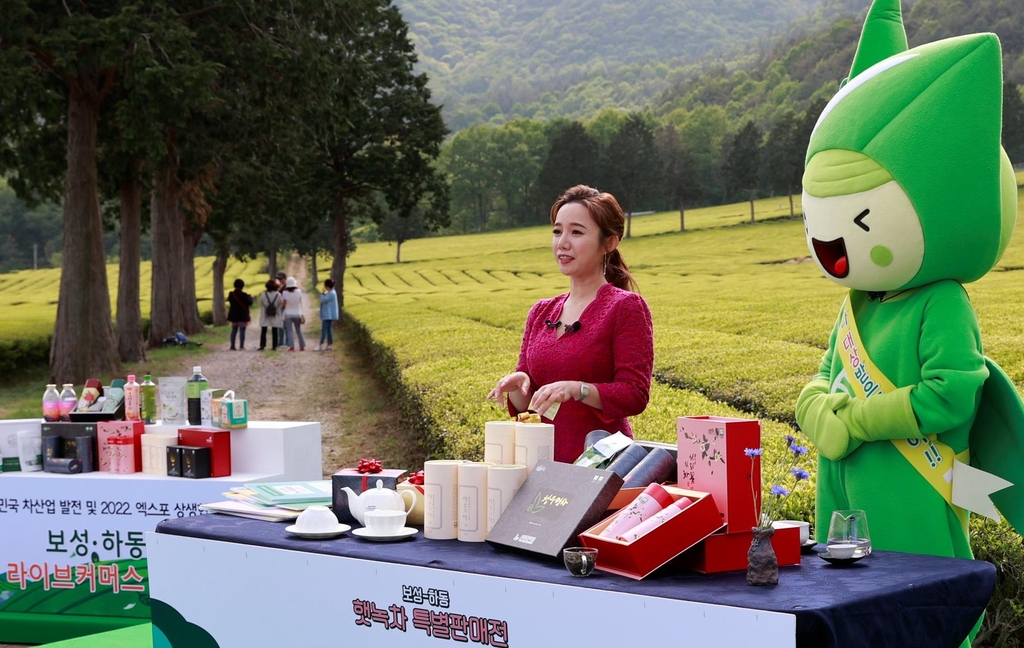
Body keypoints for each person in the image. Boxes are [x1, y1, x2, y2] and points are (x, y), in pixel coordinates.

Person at [487, 185, 654, 462]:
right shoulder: (541, 311)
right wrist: (518, 387)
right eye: (557, 231)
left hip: (600, 464)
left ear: (609, 243)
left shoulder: (625, 307)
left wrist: (578, 389)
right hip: (539, 464)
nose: (562, 242)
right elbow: (528, 406)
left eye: (576, 232)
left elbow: (635, 394)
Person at [226, 279, 254, 350]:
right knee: (242, 330)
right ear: (242, 286)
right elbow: (249, 303)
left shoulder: (231, 294)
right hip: (242, 315)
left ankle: (232, 346)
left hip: (234, 315)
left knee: (234, 330)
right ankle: (241, 346)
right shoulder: (244, 295)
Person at [257, 279, 284, 350]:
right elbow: (280, 304)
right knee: (275, 330)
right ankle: (274, 346)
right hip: (275, 314)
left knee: (263, 330)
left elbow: (261, 303)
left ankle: (262, 345)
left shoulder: (263, 294)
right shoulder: (278, 295)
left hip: (265, 314)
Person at [282, 276, 306, 351]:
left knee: (289, 331)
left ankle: (291, 346)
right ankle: (302, 346)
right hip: (297, 313)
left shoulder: (284, 292)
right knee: (298, 330)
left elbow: (284, 304)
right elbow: (300, 301)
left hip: (288, 314)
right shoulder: (299, 291)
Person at [315, 278, 339, 351]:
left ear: (327, 286)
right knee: (328, 329)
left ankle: (320, 344)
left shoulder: (331, 293)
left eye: (325, 286)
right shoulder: (332, 292)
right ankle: (329, 344)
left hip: (328, 315)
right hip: (329, 315)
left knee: (324, 329)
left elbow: (323, 300)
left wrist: (322, 293)